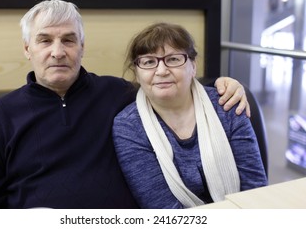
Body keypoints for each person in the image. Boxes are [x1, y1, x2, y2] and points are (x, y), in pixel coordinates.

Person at [0, 0, 250, 209]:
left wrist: (224, 83)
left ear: (82, 47)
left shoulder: (118, 93)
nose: (58, 52)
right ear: (27, 49)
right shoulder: (1, 115)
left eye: (69, 40)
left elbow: (167, 83)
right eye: (44, 41)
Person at [112, 22, 268, 209]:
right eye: (148, 62)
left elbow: (255, 191)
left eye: (174, 59)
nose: (161, 71)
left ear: (193, 66)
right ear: (137, 73)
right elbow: (164, 210)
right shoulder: (128, 127)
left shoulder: (227, 103)